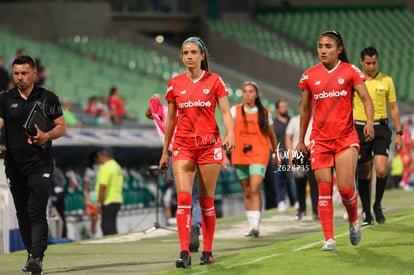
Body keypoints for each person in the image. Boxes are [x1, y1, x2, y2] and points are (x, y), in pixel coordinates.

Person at [158, 37, 234, 268]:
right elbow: (170, 120)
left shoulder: (215, 81)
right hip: (183, 146)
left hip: (210, 146)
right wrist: (164, 151)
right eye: (185, 53)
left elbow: (225, 111)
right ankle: (184, 253)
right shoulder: (175, 84)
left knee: (206, 201)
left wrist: (229, 134)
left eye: (193, 52)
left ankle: (208, 251)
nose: (189, 56)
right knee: (183, 198)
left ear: (202, 56)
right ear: (181, 56)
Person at [296, 30, 374, 251]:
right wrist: (301, 140)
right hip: (319, 141)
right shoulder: (309, 76)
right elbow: (304, 109)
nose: (323, 50)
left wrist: (369, 122)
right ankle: (329, 238)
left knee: (346, 189)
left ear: (339, 49)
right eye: (320, 46)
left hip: (345, 138)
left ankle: (353, 220)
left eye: (328, 46)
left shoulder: (350, 71)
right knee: (323, 190)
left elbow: (366, 100)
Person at [0, 55, 67, 274]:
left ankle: (37, 256)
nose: (20, 77)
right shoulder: (4, 99)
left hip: (41, 163)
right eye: (16, 73)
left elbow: (61, 127)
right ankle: (31, 253)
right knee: (22, 213)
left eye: (24, 73)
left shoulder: (49, 98)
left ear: (34, 74)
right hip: (14, 165)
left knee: (36, 210)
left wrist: (46, 136)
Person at [145, 93, 202, 252]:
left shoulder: (164, 111)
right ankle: (195, 224)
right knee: (198, 197)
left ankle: (187, 229)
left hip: (173, 157)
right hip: (194, 154)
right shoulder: (191, 111)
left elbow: (149, 113)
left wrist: (154, 101)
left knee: (183, 198)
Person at [353, 46, 402, 226]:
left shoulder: (386, 80)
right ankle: (366, 211)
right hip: (360, 128)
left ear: (378, 61)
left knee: (381, 170)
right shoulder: (355, 81)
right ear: (361, 62)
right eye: (368, 63)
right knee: (364, 171)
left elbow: (394, 108)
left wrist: (399, 133)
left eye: (374, 63)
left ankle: (377, 205)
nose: (371, 66)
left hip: (381, 128)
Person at [226, 81, 278, 237]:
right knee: (246, 191)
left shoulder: (265, 113)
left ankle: (256, 225)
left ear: (256, 94)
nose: (247, 94)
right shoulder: (234, 111)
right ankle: (251, 224)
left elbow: (272, 135)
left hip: (259, 154)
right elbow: (228, 132)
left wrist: (275, 153)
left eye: (250, 91)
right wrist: (223, 150)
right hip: (239, 154)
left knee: (255, 188)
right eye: (245, 91)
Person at [285, 105, 319, 220]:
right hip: (298, 154)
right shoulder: (294, 121)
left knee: (314, 183)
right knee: (299, 183)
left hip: (312, 153)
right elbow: (288, 138)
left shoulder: (315, 120)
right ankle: (301, 209)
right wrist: (290, 155)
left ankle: (316, 211)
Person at [273, 99, 297, 212]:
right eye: (282, 107)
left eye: (285, 106)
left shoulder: (291, 121)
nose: (284, 109)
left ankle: (296, 200)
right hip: (278, 154)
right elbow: (270, 139)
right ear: (277, 109)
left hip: (291, 153)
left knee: (293, 177)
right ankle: (281, 201)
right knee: (279, 178)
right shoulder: (273, 123)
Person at [95, 147, 123, 236]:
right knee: (111, 225)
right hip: (117, 199)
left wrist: (99, 203)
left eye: (99, 156)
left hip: (109, 201)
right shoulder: (116, 166)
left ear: (104, 156)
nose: (98, 158)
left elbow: (103, 186)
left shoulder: (106, 167)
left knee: (107, 227)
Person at [83, 151, 100, 238]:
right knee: (94, 218)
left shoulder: (103, 168)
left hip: (101, 193)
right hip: (92, 195)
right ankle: (94, 234)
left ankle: (98, 233)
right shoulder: (89, 170)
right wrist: (87, 199)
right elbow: (85, 187)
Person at [51, 156, 67, 238]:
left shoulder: (55, 170)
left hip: (57, 197)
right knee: (59, 219)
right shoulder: (57, 170)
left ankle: (61, 236)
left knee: (60, 219)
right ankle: (60, 236)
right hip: (55, 197)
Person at [400, 120, 413, 191]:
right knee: (406, 168)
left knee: (412, 168)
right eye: (406, 125)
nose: (407, 126)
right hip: (404, 153)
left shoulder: (409, 133)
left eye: (408, 125)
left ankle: (403, 181)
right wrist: (406, 154)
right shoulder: (403, 133)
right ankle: (405, 184)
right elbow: (403, 144)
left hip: (409, 153)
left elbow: (410, 144)